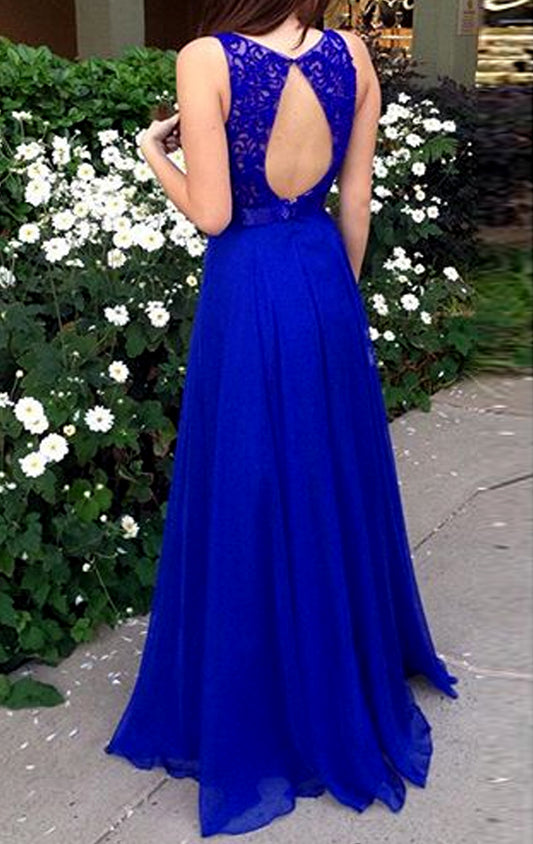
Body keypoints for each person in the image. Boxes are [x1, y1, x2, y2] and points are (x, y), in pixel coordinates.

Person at [104, 1, 459, 837]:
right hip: (323, 279)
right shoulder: (353, 55)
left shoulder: (205, 57)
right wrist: (334, 301)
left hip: (248, 284)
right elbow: (355, 198)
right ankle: (335, 664)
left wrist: (153, 151)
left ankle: (257, 690)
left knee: (247, 479)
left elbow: (213, 215)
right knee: (326, 475)